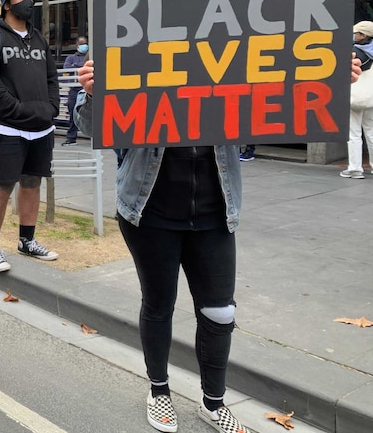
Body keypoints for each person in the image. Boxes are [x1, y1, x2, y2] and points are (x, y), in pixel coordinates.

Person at [75, 56, 364, 433]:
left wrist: (328, 80)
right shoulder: (134, 46)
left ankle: (213, 401)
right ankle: (159, 391)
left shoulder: (235, 51)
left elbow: (278, 97)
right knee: (159, 304)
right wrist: (95, 93)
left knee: (220, 312)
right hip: (149, 209)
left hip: (215, 210)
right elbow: (89, 125)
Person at [0, 0, 59, 274]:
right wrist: (16, 110)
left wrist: (51, 108)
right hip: (7, 127)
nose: (28, 2)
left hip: (41, 127)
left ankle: (27, 240)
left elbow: (51, 77)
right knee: (1, 186)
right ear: (7, 5)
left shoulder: (38, 39)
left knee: (32, 182)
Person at [341, 21, 373, 178]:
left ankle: (355, 169)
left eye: (356, 33)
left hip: (355, 97)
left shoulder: (353, 52)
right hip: (371, 98)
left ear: (364, 35)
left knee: (353, 134)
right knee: (371, 133)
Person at [62, 36, 89, 145]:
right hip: (74, 90)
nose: (85, 46)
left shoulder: (90, 56)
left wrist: (76, 67)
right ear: (77, 45)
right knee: (73, 113)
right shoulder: (70, 58)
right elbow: (67, 71)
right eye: (82, 43)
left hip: (89, 90)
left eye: (86, 43)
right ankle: (71, 138)